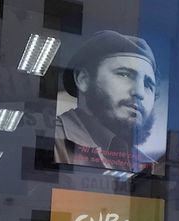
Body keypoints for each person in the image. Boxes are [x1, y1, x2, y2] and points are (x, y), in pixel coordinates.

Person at [55, 30, 160, 173]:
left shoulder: (148, 167)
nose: (140, 92)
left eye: (148, 84)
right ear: (83, 80)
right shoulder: (52, 139)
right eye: (124, 74)